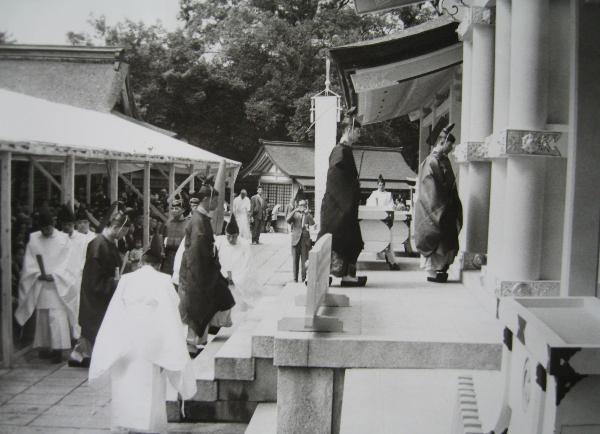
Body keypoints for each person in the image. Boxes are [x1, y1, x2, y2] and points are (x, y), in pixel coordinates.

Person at [89, 235, 196, 434]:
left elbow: (114, 313)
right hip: (150, 342)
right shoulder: (163, 281)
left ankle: (126, 423)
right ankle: (147, 428)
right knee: (149, 385)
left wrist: (111, 344)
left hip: (126, 340)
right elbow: (171, 314)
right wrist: (172, 347)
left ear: (141, 262)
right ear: (158, 264)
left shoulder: (126, 280)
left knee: (125, 382)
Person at [15, 206, 79, 363]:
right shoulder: (34, 239)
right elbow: (29, 262)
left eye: (49, 227)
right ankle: (46, 347)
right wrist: (38, 274)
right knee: (43, 316)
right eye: (44, 228)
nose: (47, 231)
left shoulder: (63, 239)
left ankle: (58, 350)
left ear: (54, 224)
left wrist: (56, 276)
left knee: (56, 316)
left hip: (58, 284)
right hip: (40, 283)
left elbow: (69, 262)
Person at [178, 184, 235, 355]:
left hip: (206, 269)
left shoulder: (201, 219)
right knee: (197, 307)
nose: (218, 203)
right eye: (216, 199)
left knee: (222, 297)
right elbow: (195, 252)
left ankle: (201, 337)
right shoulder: (198, 221)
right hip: (198, 272)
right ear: (206, 199)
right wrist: (198, 276)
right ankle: (192, 343)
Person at [69, 208, 130, 367]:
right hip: (95, 296)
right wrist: (117, 282)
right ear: (117, 228)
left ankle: (82, 355)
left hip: (103, 293)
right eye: (124, 232)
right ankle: (81, 356)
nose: (123, 236)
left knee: (92, 333)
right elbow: (94, 280)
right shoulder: (98, 245)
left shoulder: (108, 243)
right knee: (92, 330)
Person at [318, 108, 367, 287]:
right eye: (357, 130)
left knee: (352, 242)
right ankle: (321, 276)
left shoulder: (344, 150)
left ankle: (347, 276)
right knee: (338, 243)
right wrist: (351, 195)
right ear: (348, 130)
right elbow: (337, 181)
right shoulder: (340, 151)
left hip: (343, 207)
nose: (359, 134)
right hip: (338, 208)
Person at [414, 123, 463, 283]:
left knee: (447, 241)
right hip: (435, 209)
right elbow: (430, 191)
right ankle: (432, 273)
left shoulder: (443, 160)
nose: (452, 147)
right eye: (450, 144)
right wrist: (442, 207)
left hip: (446, 208)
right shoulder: (431, 162)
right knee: (437, 241)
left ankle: (441, 269)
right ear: (442, 142)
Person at [214, 214, 258, 312]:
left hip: (239, 280)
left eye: (233, 237)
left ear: (237, 235)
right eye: (228, 236)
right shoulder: (220, 242)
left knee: (238, 309)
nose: (230, 239)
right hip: (223, 279)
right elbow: (215, 261)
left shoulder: (244, 244)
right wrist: (224, 276)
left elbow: (247, 265)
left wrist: (235, 278)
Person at [366, 175, 399, 270]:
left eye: (382, 185)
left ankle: (388, 257)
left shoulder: (388, 194)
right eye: (379, 185)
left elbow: (391, 205)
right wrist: (375, 207)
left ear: (384, 185)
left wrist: (384, 209)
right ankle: (378, 253)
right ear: (377, 185)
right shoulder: (374, 193)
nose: (381, 186)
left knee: (386, 237)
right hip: (375, 216)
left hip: (384, 216)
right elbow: (369, 203)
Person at [287, 199, 315, 282]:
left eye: (303, 205)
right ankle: (295, 278)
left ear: (305, 206)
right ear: (298, 206)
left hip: (305, 240)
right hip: (295, 239)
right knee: (295, 260)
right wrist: (294, 210)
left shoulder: (307, 215)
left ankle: (304, 278)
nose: (301, 207)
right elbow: (287, 220)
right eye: (300, 205)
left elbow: (312, 223)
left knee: (304, 260)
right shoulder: (295, 214)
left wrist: (308, 214)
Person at [161, 197, 187, 275]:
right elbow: (163, 238)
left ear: (183, 210)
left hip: (182, 256)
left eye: (176, 208)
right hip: (168, 256)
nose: (174, 211)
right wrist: (162, 251)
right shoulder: (167, 223)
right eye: (172, 208)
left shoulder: (188, 224)